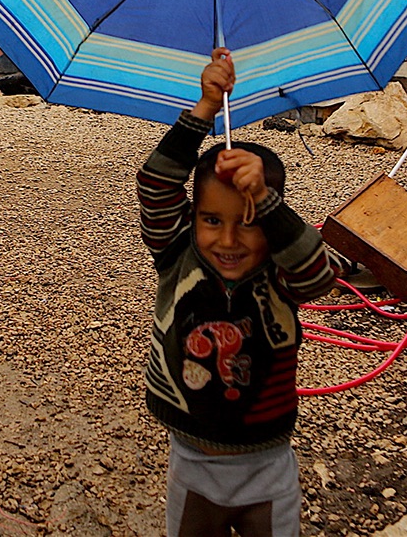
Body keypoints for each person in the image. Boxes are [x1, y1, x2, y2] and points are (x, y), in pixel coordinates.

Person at [136, 47, 340, 537]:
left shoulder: (280, 271)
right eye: (211, 220)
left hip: (267, 468)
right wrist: (204, 109)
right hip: (191, 462)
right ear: (193, 219)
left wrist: (267, 203)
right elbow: (155, 185)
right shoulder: (177, 254)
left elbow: (321, 275)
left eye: (247, 223)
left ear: (270, 221)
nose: (227, 241)